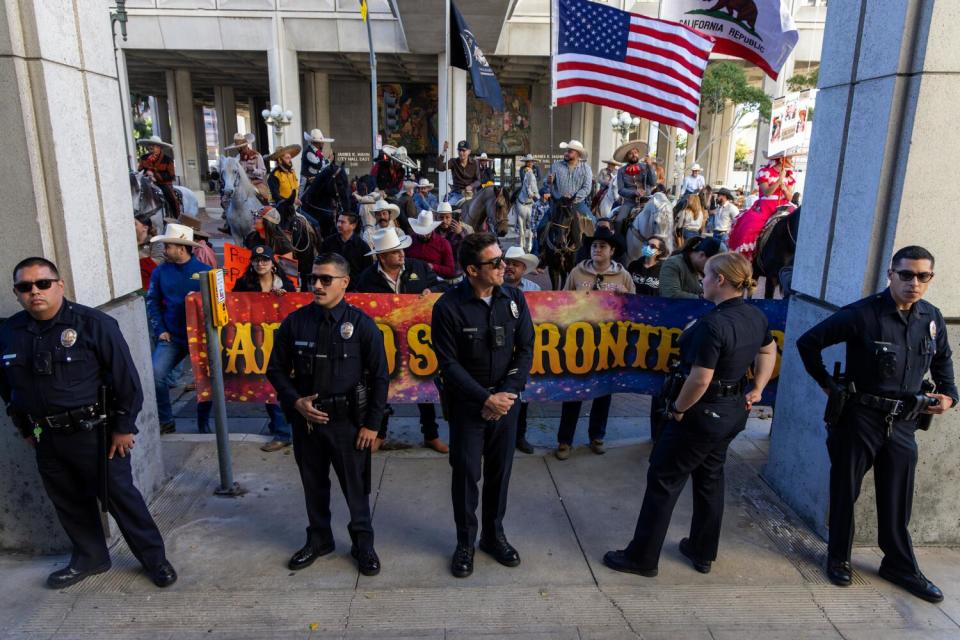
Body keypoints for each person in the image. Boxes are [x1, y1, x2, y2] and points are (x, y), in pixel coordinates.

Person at [0, 257, 178, 589]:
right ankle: (90, 557)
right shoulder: (10, 332)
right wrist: (25, 427)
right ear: (17, 293)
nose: (34, 292)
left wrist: (124, 427)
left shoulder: (93, 324)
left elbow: (128, 381)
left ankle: (155, 560)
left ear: (59, 285)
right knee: (67, 500)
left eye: (42, 284)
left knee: (121, 497)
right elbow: (7, 385)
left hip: (97, 434)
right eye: (25, 287)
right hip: (46, 436)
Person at [796, 246, 957, 602]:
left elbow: (943, 360)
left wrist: (949, 395)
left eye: (923, 276)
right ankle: (838, 556)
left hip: (904, 423)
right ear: (890, 274)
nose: (914, 283)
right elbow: (808, 343)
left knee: (897, 497)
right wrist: (828, 385)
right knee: (845, 491)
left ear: (930, 279)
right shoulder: (862, 314)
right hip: (859, 418)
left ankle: (899, 564)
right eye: (906, 275)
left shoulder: (931, 318)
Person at [604, 252, 777, 577]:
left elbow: (700, 378)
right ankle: (702, 550)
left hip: (701, 415)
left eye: (707, 275)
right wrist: (757, 389)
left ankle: (642, 557)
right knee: (710, 478)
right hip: (732, 411)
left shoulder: (713, 324)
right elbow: (768, 350)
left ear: (721, 280)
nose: (703, 281)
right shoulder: (753, 315)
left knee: (663, 480)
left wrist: (679, 410)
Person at [266, 253, 388, 577]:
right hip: (307, 423)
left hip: (348, 424)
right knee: (313, 485)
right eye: (314, 279)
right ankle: (319, 539)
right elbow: (275, 369)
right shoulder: (296, 322)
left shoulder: (362, 325)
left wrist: (373, 426)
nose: (317, 285)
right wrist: (294, 401)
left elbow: (380, 377)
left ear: (345, 283)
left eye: (325, 279)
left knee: (355, 488)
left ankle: (363, 544)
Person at [432, 232, 535, 578]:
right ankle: (465, 543)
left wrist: (504, 396)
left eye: (502, 259)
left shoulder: (514, 300)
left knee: (499, 474)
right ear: (472, 270)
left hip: (506, 405)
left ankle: (493, 536)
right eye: (495, 263)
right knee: (465, 477)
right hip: (468, 408)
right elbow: (449, 365)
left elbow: (525, 351)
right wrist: (485, 398)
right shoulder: (448, 307)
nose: (503, 266)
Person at [353, 228, 448, 454]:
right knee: (381, 386)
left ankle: (431, 435)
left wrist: (431, 289)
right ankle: (380, 433)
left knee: (423, 387)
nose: (402, 254)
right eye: (395, 252)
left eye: (401, 250)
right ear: (382, 256)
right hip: (383, 342)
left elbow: (444, 286)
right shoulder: (367, 278)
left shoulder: (419, 268)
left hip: (417, 341)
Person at [556, 228, 635, 460]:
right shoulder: (577, 273)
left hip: (609, 344)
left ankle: (597, 436)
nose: (597, 249)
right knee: (573, 391)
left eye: (602, 246)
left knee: (604, 392)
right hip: (579, 342)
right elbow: (562, 301)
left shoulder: (623, 277)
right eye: (593, 246)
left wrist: (626, 296)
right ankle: (564, 440)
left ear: (612, 251)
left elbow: (636, 309)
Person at [145, 223, 213, 434]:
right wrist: (160, 329)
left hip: (200, 337)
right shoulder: (160, 272)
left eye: (168, 246)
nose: (165, 251)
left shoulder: (205, 272)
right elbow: (152, 302)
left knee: (205, 382)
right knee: (156, 375)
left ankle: (203, 423)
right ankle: (166, 420)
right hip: (172, 336)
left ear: (181, 248)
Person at [231, 245, 296, 452]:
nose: (260, 263)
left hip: (281, 343)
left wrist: (284, 297)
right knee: (267, 386)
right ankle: (281, 428)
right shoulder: (244, 284)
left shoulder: (286, 284)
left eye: (265, 260)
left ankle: (283, 430)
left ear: (272, 263)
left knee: (277, 385)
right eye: (257, 260)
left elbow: (296, 308)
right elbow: (234, 306)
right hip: (254, 342)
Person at [502, 246, 541, 455]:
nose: (509, 267)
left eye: (515, 264)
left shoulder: (534, 289)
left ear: (523, 269)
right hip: (501, 349)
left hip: (525, 348)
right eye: (507, 263)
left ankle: (520, 436)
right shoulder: (494, 287)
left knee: (523, 396)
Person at [546, 140, 594, 223]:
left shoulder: (586, 169)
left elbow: (587, 189)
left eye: (570, 152)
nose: (566, 153)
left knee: (594, 223)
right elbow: (545, 183)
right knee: (540, 227)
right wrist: (549, 182)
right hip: (558, 203)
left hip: (577, 204)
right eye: (567, 151)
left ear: (578, 154)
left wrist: (571, 197)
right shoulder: (556, 165)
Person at [319, 211, 370, 288]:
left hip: (354, 290)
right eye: (338, 221)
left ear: (353, 225)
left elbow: (366, 272)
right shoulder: (328, 242)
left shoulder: (363, 247)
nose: (339, 225)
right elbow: (321, 264)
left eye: (342, 222)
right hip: (331, 286)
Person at [137, 135, 182, 218]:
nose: (151, 147)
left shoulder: (167, 159)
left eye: (154, 145)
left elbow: (171, 175)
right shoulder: (144, 158)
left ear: (160, 147)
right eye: (150, 145)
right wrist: (147, 173)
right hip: (147, 182)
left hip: (163, 184)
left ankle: (177, 218)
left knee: (172, 198)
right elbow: (140, 170)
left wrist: (155, 175)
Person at [614, 142, 656, 226]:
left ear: (638, 154)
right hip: (630, 202)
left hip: (647, 200)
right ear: (626, 156)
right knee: (618, 221)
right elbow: (621, 190)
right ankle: (617, 238)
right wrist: (634, 193)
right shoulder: (621, 171)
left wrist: (650, 166)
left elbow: (653, 182)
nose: (634, 155)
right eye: (630, 153)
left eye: (635, 152)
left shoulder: (646, 167)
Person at [407, 210, 457, 279]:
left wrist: (433, 267)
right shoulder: (410, 241)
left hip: (434, 280)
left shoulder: (443, 243)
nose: (424, 235)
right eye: (421, 232)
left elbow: (451, 271)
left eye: (427, 232)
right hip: (413, 278)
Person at [224, 133, 270, 203]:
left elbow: (263, 171)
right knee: (227, 198)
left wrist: (254, 170)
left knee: (264, 196)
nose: (240, 149)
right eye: (238, 147)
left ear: (246, 145)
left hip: (255, 183)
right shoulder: (237, 158)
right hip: (240, 184)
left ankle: (264, 210)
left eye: (241, 147)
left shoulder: (257, 155)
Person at [437, 140, 480, 206]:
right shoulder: (453, 162)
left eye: (463, 150)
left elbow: (478, 181)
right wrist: (444, 151)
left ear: (469, 152)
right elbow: (440, 167)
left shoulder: (475, 163)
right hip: (457, 194)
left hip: (471, 194)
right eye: (459, 150)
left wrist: (471, 186)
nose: (461, 153)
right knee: (446, 208)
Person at [436, 201, 471, 276]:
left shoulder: (462, 230)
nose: (444, 221)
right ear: (437, 217)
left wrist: (460, 233)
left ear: (452, 217)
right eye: (441, 217)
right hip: (438, 273)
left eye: (447, 217)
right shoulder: (433, 232)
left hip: (457, 272)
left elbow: (470, 247)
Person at [300, 128, 334, 193]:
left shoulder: (317, 152)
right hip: (307, 182)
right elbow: (319, 165)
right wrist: (329, 160)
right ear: (317, 143)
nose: (323, 143)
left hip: (314, 180)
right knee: (302, 199)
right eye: (321, 142)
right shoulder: (308, 152)